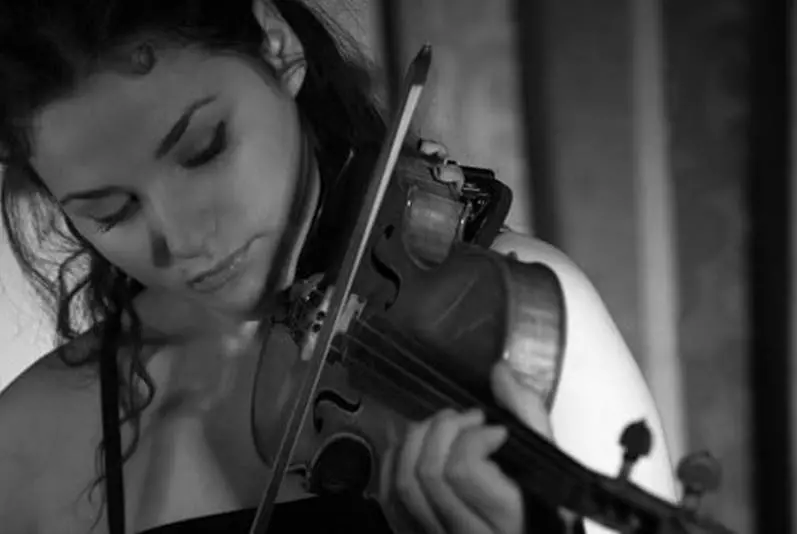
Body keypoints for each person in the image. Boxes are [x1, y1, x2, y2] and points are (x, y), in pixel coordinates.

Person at [0, 1, 678, 533]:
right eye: (111, 212)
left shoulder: (508, 320)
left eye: (204, 149)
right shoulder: (33, 434)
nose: (181, 240)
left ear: (278, 46)